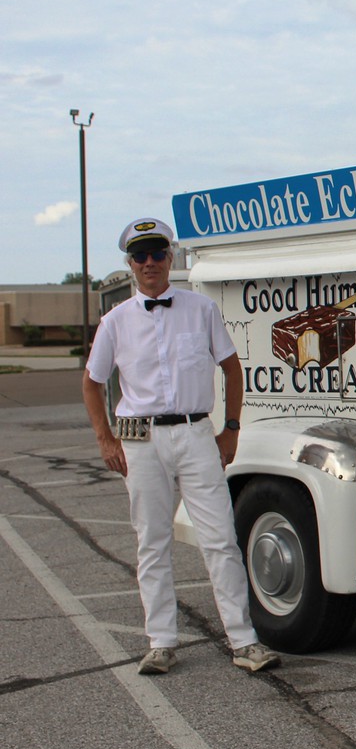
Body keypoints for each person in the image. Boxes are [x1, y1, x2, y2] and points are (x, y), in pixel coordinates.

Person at [82, 218, 280, 676]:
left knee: (220, 540)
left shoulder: (200, 309)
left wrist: (231, 428)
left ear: (171, 258)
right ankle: (161, 642)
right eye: (140, 255)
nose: (149, 263)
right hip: (142, 440)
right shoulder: (115, 322)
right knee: (152, 541)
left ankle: (244, 640)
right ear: (130, 264)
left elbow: (232, 368)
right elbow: (93, 384)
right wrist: (104, 439)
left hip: (195, 435)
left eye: (157, 253)